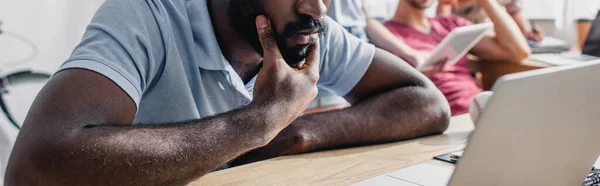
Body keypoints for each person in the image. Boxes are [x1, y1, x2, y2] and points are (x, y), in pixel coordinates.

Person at [5, 0, 451, 185]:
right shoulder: (149, 15)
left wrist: (291, 135)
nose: (316, 8)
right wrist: (256, 122)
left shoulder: (304, 28)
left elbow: (424, 101)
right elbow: (34, 166)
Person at [383, 0, 531, 116]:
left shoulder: (451, 24)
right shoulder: (385, 36)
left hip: (482, 109)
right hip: (441, 118)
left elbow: (518, 51)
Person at [437, 0, 544, 41]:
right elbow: (442, 16)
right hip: (466, 41)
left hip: (498, 39)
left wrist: (528, 32)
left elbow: (514, 11)